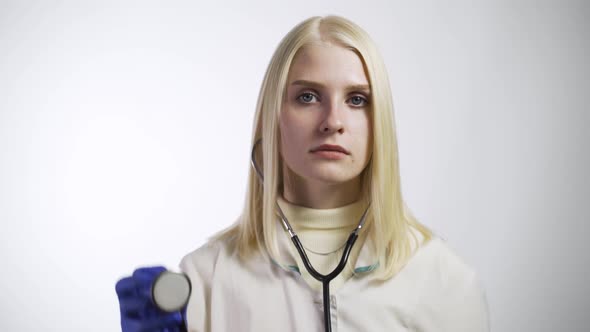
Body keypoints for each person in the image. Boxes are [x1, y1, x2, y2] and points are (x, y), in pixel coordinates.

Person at [116, 15, 490, 332]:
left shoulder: (443, 279)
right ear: (272, 118)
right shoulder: (206, 279)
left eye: (357, 99)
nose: (333, 122)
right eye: (308, 97)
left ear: (380, 124)